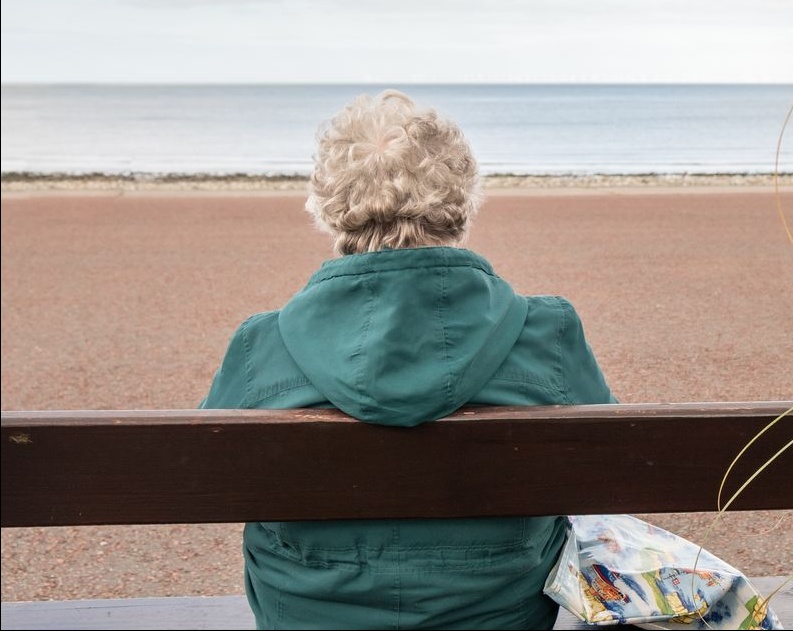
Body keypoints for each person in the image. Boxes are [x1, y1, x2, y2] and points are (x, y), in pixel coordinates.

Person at [200, 89, 616, 630]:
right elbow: (607, 472)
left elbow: (213, 478)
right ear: (460, 199)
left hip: (306, 617)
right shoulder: (548, 331)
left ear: (330, 207)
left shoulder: (261, 345)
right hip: (497, 618)